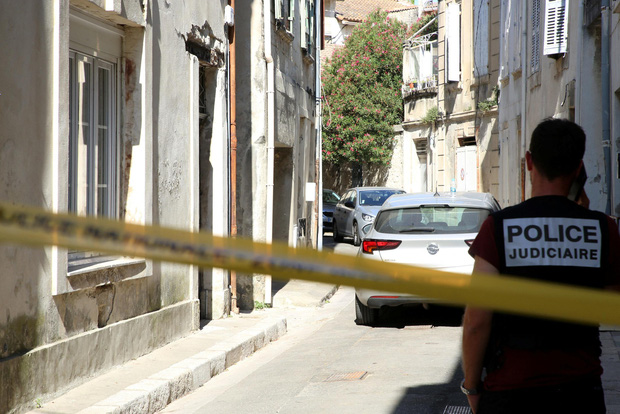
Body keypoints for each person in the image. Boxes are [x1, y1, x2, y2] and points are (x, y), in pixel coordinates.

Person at [461, 118, 620, 414]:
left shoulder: (499, 227)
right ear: (578, 169)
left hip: (511, 391)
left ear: (529, 161)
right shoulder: (603, 229)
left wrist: (471, 386)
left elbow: (476, 321)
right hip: (579, 391)